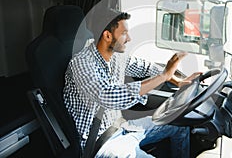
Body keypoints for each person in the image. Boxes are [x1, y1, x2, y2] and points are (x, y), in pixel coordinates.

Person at [63, 9, 200, 157]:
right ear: (107, 36)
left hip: (120, 126)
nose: (129, 38)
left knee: (179, 125)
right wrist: (163, 76)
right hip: (100, 143)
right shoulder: (81, 63)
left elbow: (146, 68)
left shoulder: (116, 57)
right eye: (124, 33)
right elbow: (108, 96)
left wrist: (176, 81)